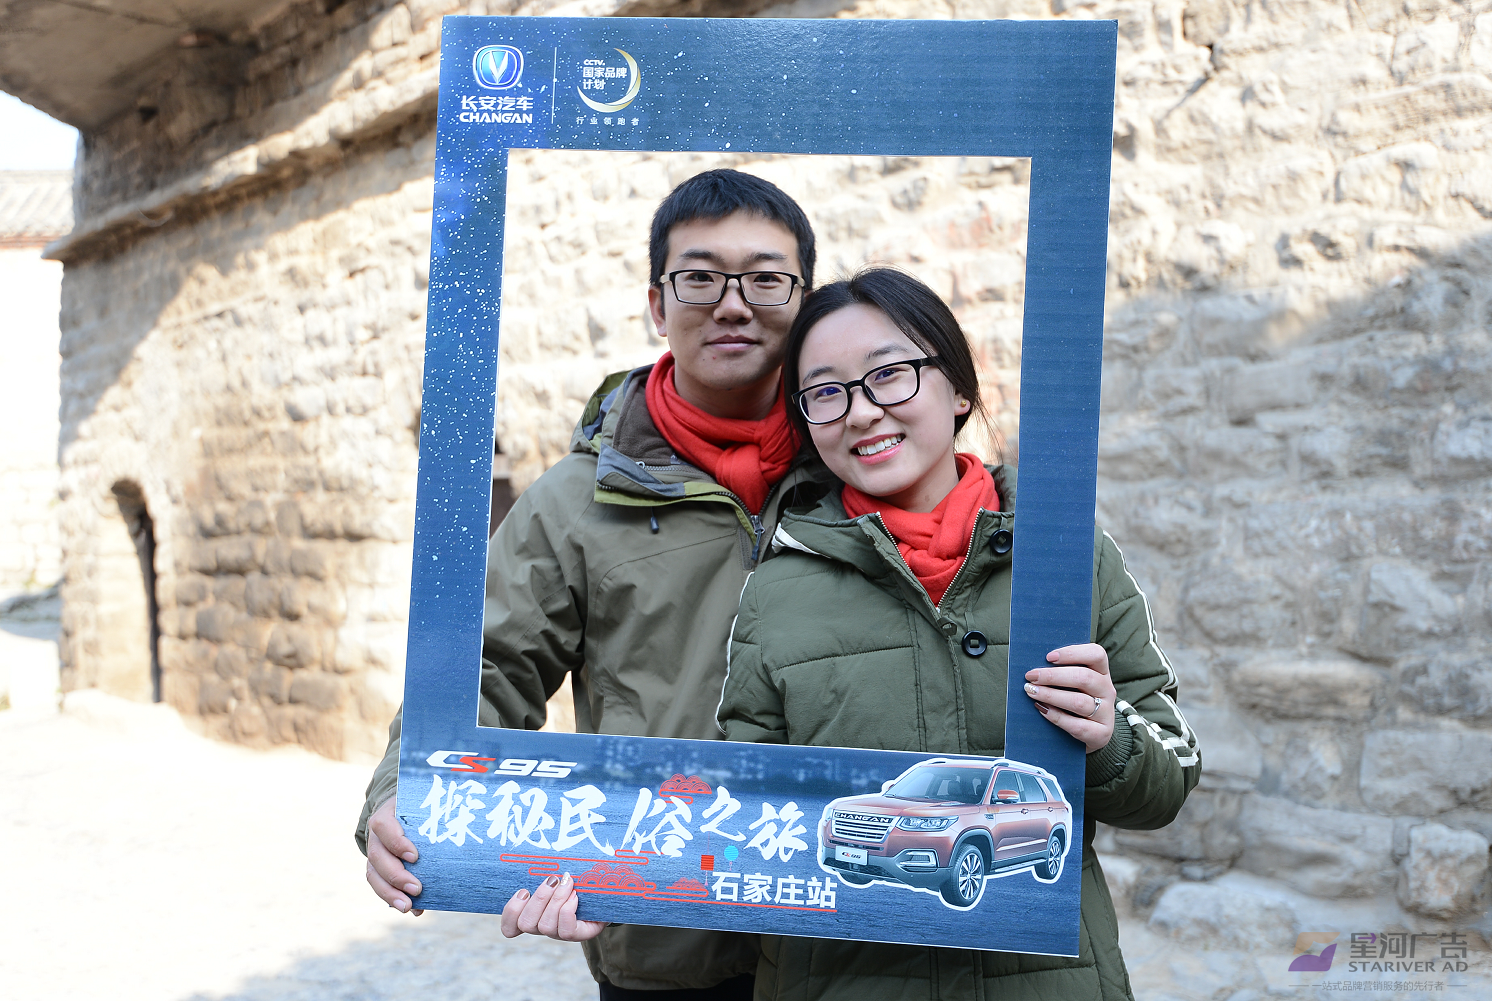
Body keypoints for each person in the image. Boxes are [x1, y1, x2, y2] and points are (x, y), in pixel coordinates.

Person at [355, 169, 832, 999]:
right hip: (667, 938)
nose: (733, 304)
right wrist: (407, 790)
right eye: (700, 277)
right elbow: (488, 666)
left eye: (765, 279)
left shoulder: (862, 469)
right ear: (657, 303)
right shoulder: (576, 501)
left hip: (853, 931)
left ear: (805, 300)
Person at [716, 267, 1201, 1000]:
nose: (861, 412)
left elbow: (1167, 785)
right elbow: (740, 811)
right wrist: (600, 880)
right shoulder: (777, 589)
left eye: (890, 374)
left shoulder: (1069, 557)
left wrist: (1110, 738)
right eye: (826, 392)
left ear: (959, 389)